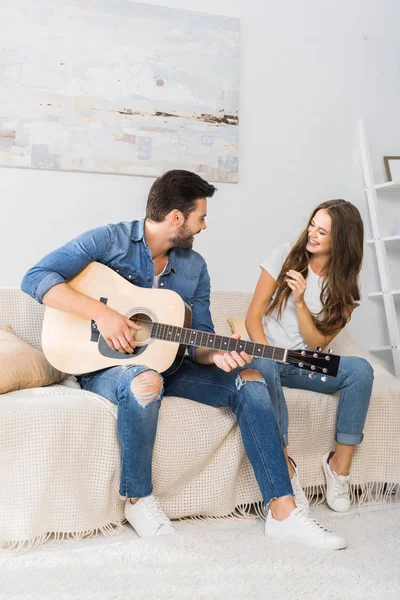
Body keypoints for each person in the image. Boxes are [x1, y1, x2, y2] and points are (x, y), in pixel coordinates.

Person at [22, 171, 347, 549]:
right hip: (107, 368)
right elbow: (36, 277)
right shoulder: (108, 240)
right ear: (177, 218)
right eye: (201, 218)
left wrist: (218, 352)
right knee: (145, 381)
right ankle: (138, 498)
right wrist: (102, 313)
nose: (204, 226)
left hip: (175, 365)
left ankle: (283, 511)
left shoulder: (195, 268)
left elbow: (199, 341)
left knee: (253, 378)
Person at [245, 199, 374, 514]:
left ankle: (339, 469)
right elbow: (252, 317)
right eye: (312, 226)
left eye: (323, 232)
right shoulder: (283, 255)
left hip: (307, 362)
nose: (312, 235)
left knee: (360, 370)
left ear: (341, 241)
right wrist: (267, 352)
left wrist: (300, 301)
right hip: (269, 355)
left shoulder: (344, 287)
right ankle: (285, 468)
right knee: (264, 365)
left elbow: (318, 343)